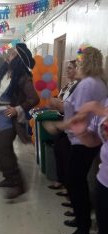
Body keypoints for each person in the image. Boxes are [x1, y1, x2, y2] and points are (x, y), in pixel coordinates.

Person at [0, 39, 40, 199]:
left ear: (18, 60)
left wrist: (17, 109)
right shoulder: (3, 69)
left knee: (3, 149)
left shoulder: (22, 77)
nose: (7, 55)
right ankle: (9, 178)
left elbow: (34, 99)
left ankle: (19, 184)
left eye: (12, 54)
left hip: (7, 117)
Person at [59, 46, 108, 234]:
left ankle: (83, 228)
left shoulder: (88, 83)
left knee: (75, 181)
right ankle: (81, 219)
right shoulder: (98, 82)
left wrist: (61, 110)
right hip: (88, 136)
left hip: (83, 138)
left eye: (79, 62)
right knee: (78, 180)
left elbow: (79, 112)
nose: (77, 65)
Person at [69, 101, 108, 234]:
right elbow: (96, 140)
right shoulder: (105, 103)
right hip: (104, 181)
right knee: (103, 231)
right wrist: (82, 132)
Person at [47, 60, 79, 192]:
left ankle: (67, 184)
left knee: (66, 155)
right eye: (67, 68)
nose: (67, 70)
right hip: (60, 118)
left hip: (70, 122)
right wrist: (55, 102)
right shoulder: (67, 86)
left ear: (77, 69)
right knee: (58, 151)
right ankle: (60, 180)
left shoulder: (78, 86)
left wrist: (58, 103)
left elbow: (68, 105)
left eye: (70, 68)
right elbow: (61, 101)